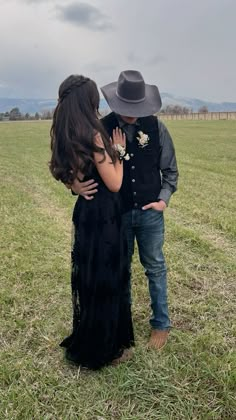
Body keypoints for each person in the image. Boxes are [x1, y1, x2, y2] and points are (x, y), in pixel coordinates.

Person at [70, 70, 179, 350]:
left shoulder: (157, 129)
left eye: (137, 109)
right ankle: (123, 330)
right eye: (126, 109)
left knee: (155, 267)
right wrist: (74, 186)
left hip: (149, 214)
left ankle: (161, 324)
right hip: (115, 217)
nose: (132, 115)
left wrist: (163, 200)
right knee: (121, 271)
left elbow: (170, 171)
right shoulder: (99, 129)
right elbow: (75, 168)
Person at [49, 74, 134, 370]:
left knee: (90, 277)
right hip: (105, 216)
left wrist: (74, 185)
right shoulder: (95, 136)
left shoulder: (65, 132)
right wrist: (120, 153)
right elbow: (114, 183)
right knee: (107, 279)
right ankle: (105, 346)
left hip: (85, 213)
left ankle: (93, 335)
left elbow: (60, 170)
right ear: (89, 101)